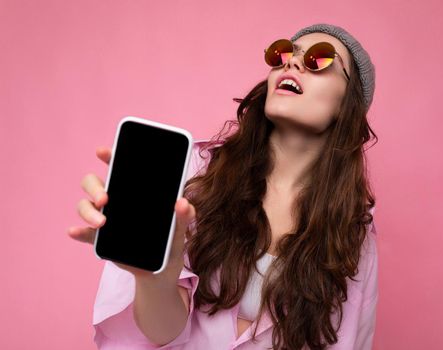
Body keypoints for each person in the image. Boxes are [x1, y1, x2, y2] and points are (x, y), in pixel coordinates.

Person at [68, 23, 379, 350]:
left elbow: (350, 342)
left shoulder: (355, 235)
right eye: (283, 53)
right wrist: (153, 278)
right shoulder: (194, 173)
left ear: (349, 102)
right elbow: (160, 333)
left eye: (319, 59)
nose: (291, 63)